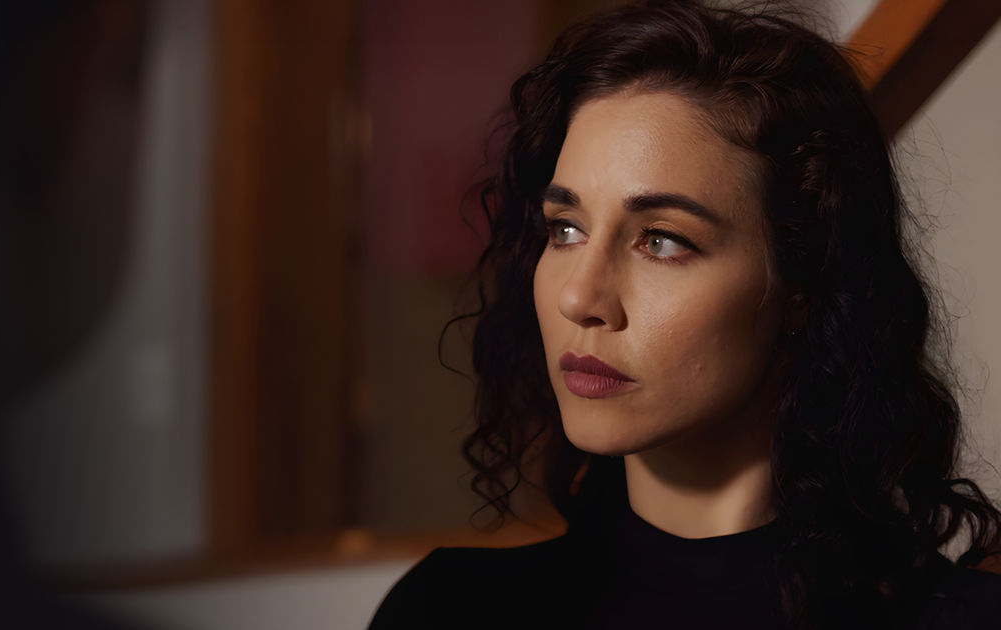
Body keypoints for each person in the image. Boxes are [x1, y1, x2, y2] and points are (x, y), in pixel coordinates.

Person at [367, 1, 1001, 628]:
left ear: (803, 287)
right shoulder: (445, 609)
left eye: (662, 240)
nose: (578, 298)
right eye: (565, 229)